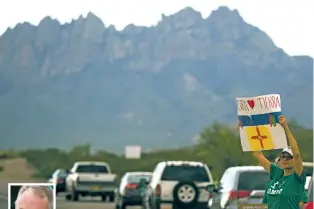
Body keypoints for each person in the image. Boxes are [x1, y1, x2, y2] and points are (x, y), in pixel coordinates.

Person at [251, 115, 306, 209]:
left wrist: (285, 127)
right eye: (283, 156)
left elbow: (296, 154)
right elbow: (257, 153)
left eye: (288, 157)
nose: (284, 159)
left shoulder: (297, 177)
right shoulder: (277, 173)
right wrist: (246, 130)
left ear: (294, 160)